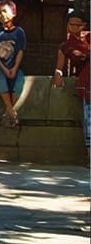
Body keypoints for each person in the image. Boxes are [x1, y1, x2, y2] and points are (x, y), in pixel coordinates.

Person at [0, 0, 26, 128]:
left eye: (4, 11)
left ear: (13, 13)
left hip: (13, 65)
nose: (2, 15)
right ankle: (12, 113)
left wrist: (14, 68)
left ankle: (7, 114)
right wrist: (3, 68)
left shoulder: (19, 32)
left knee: (19, 81)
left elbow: (20, 52)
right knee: (1, 80)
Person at [52, 10, 89, 151]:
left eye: (77, 24)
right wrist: (58, 74)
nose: (73, 27)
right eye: (71, 24)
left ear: (83, 25)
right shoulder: (65, 46)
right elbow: (59, 67)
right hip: (85, 83)